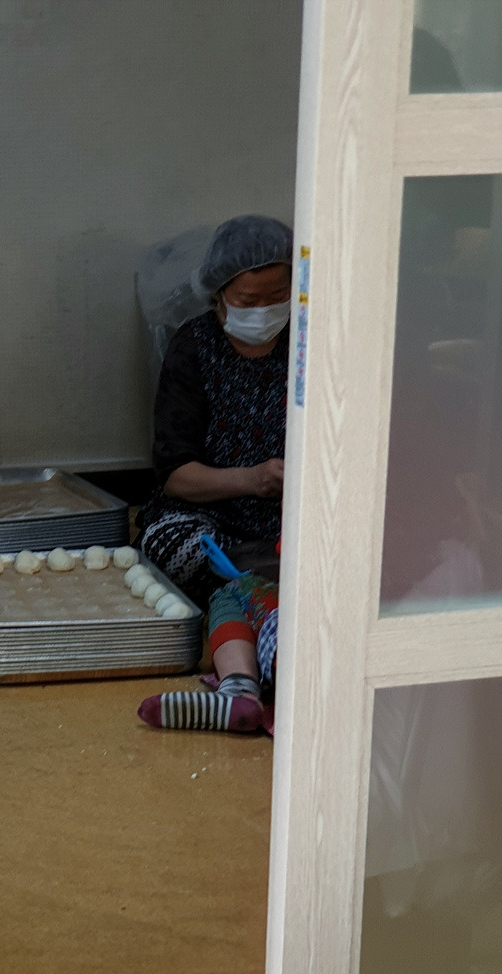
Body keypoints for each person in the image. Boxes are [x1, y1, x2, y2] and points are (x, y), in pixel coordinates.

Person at [135, 213, 291, 735]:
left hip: (287, 525)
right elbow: (176, 475)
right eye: (249, 299)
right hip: (209, 520)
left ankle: (242, 683)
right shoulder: (194, 348)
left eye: (278, 296)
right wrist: (253, 480)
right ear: (219, 297)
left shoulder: (309, 347)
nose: (264, 310)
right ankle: (258, 634)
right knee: (181, 551)